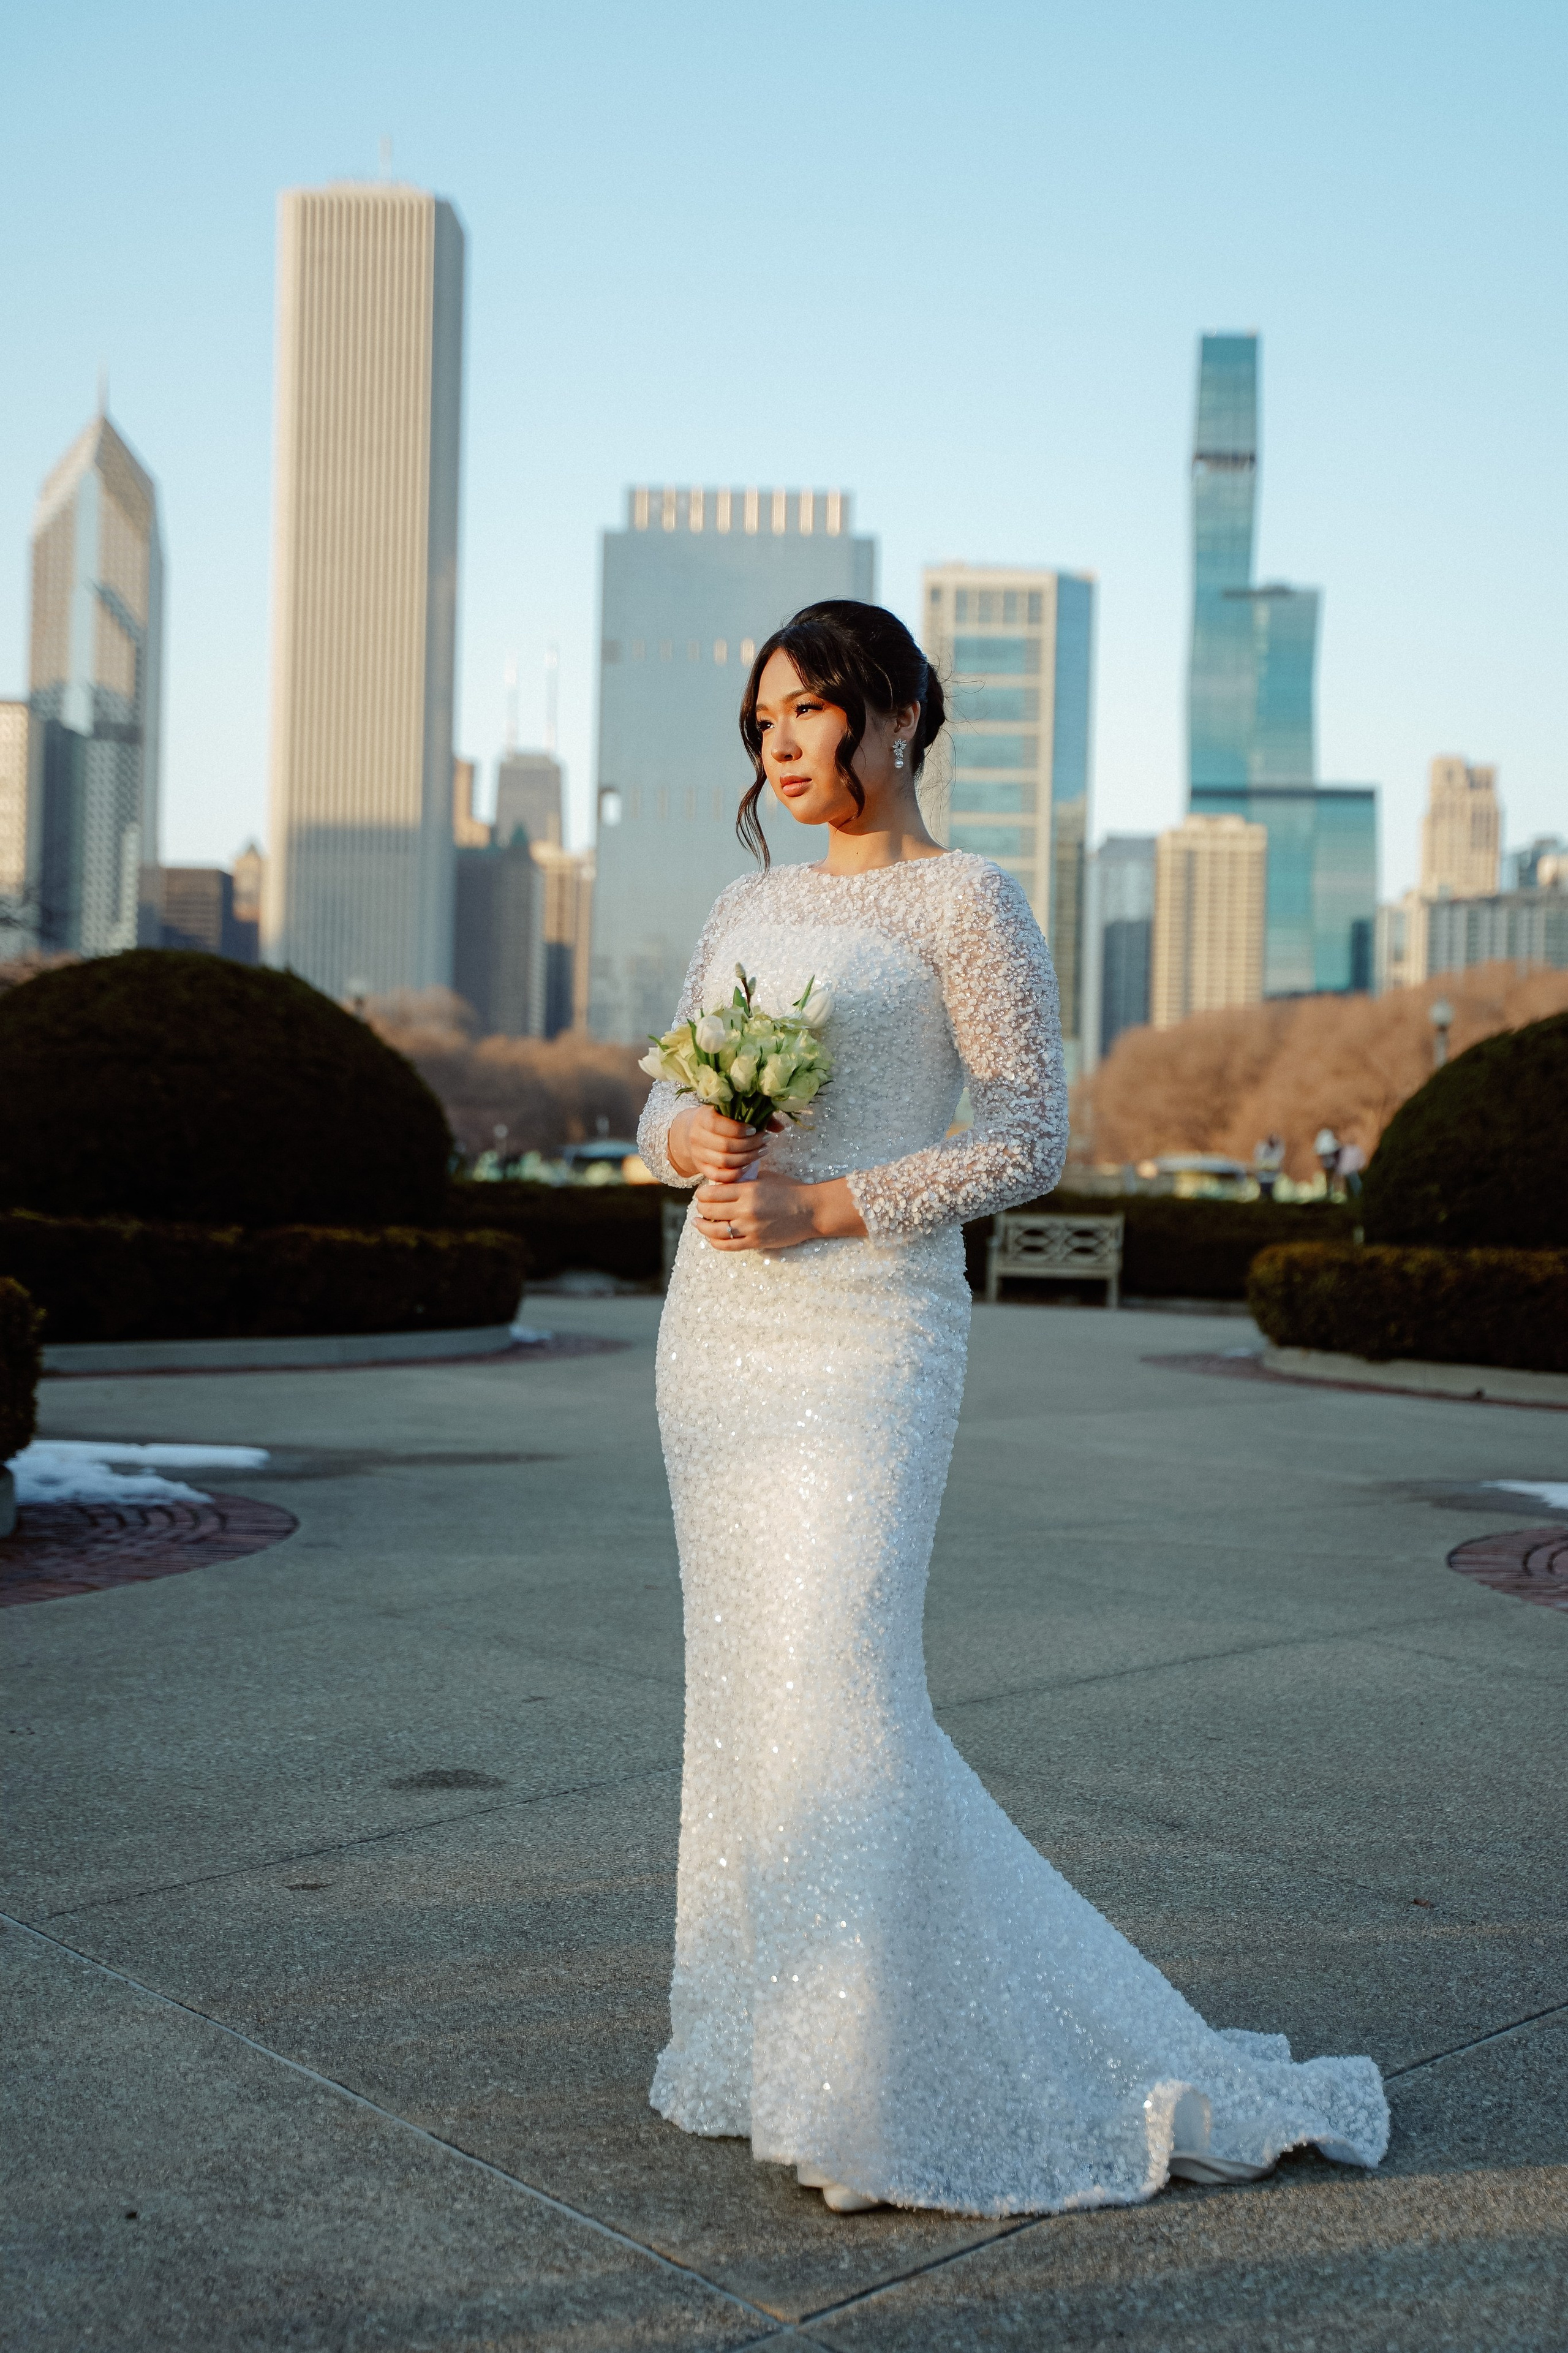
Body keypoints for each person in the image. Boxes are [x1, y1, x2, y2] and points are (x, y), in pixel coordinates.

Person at [636, 601, 1387, 2217]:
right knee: (748, 1700)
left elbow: (1028, 1131)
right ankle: (773, 2042)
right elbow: (659, 1099)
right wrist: (690, 1145)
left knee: (845, 1690)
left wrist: (829, 1211)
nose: (777, 742)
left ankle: (877, 2086)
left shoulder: (966, 899)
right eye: (760, 716)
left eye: (809, 708)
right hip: (718, 1338)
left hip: (870, 1331)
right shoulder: (744, 899)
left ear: (897, 710)